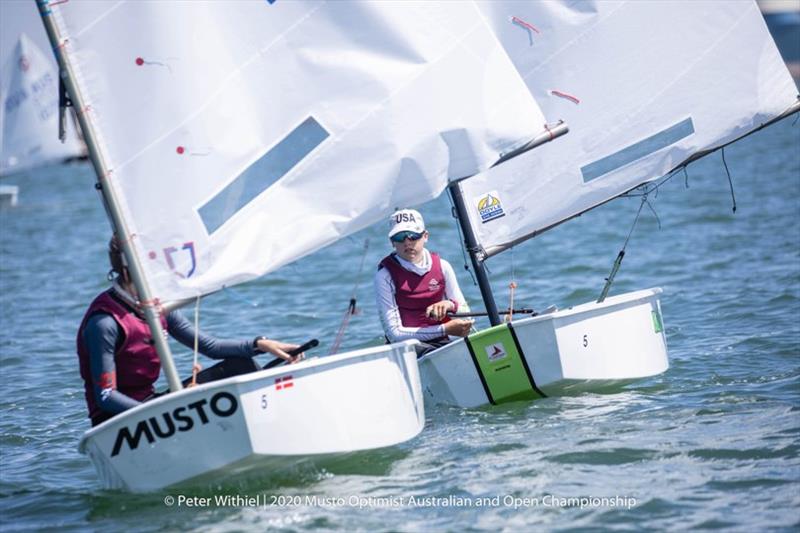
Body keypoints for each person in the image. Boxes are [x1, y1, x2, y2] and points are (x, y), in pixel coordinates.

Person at [77, 236, 304, 427]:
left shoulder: (156, 307)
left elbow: (210, 347)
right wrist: (166, 411)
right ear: (128, 273)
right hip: (118, 421)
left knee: (240, 366)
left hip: (155, 406)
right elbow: (106, 397)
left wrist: (261, 344)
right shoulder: (105, 323)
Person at [374, 208, 473, 356]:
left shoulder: (443, 266)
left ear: (425, 236)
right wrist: (445, 329)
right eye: (400, 237)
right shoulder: (384, 276)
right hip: (408, 347)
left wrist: (449, 305)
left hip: (443, 341)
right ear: (392, 242)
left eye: (413, 236)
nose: (407, 242)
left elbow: (467, 316)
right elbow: (395, 333)